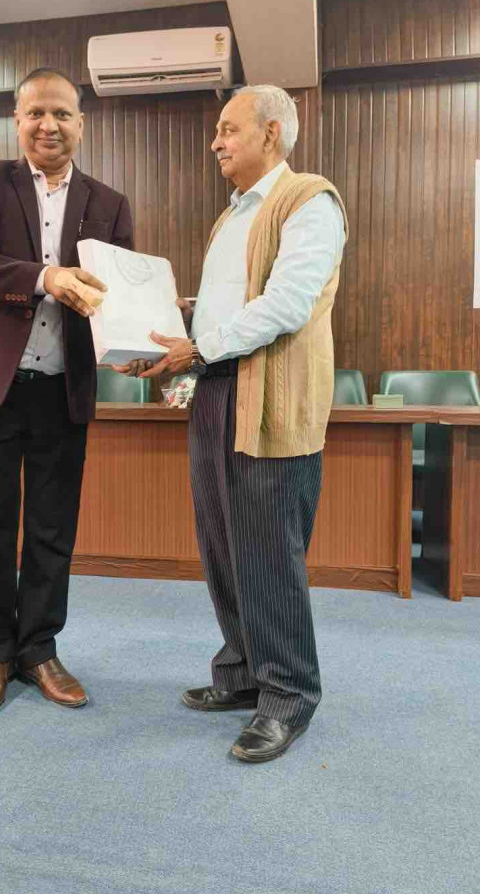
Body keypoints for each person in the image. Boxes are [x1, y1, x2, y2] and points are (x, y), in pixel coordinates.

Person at [129, 85, 347, 764]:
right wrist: (167, 329)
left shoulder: (309, 200)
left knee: (269, 554)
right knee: (223, 544)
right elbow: (227, 306)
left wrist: (194, 346)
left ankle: (287, 698)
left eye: (229, 129)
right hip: (214, 391)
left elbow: (286, 304)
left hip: (269, 400)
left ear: (271, 133)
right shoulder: (231, 216)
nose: (216, 142)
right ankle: (242, 672)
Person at [0, 67, 133, 718]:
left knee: (53, 528)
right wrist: (46, 278)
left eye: (62, 114)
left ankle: (40, 650)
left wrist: (135, 339)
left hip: (62, 389)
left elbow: (117, 293)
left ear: (81, 124)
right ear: (17, 120)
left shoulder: (109, 204)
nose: (48, 125)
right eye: (36, 113)